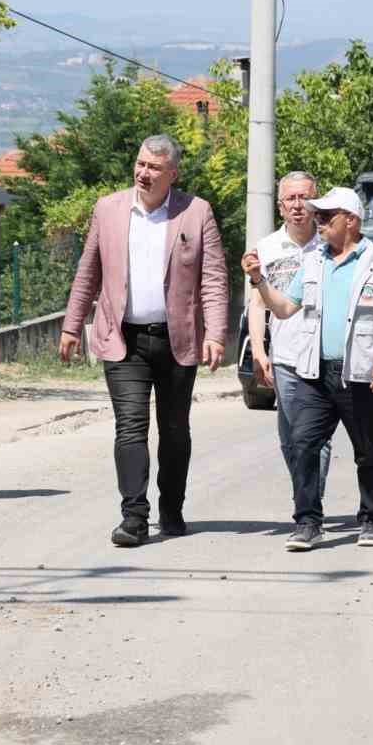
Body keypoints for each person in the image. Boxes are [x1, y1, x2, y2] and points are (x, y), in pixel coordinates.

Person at [59, 134, 229, 547]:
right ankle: (134, 516)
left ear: (173, 173)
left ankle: (172, 507)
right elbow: (89, 271)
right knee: (130, 426)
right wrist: (70, 325)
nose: (143, 173)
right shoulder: (109, 209)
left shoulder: (197, 212)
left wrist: (217, 334)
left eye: (154, 168)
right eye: (140, 164)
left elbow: (213, 278)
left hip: (178, 340)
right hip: (124, 340)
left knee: (174, 430)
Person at [242, 187, 373, 551]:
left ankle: (371, 520)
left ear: (350, 220)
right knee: (303, 444)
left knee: (368, 449)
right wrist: (259, 281)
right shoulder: (314, 261)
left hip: (360, 373)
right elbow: (285, 308)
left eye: (325, 217)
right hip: (314, 373)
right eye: (316, 216)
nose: (317, 222)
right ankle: (307, 523)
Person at [247, 171, 334, 489]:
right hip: (284, 356)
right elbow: (258, 304)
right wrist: (258, 351)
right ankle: (306, 497)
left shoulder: (330, 244)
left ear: (315, 201)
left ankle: (310, 505)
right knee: (289, 438)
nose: (298, 205)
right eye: (290, 199)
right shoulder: (268, 247)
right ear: (280, 206)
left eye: (304, 197)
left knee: (314, 435)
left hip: (324, 354)